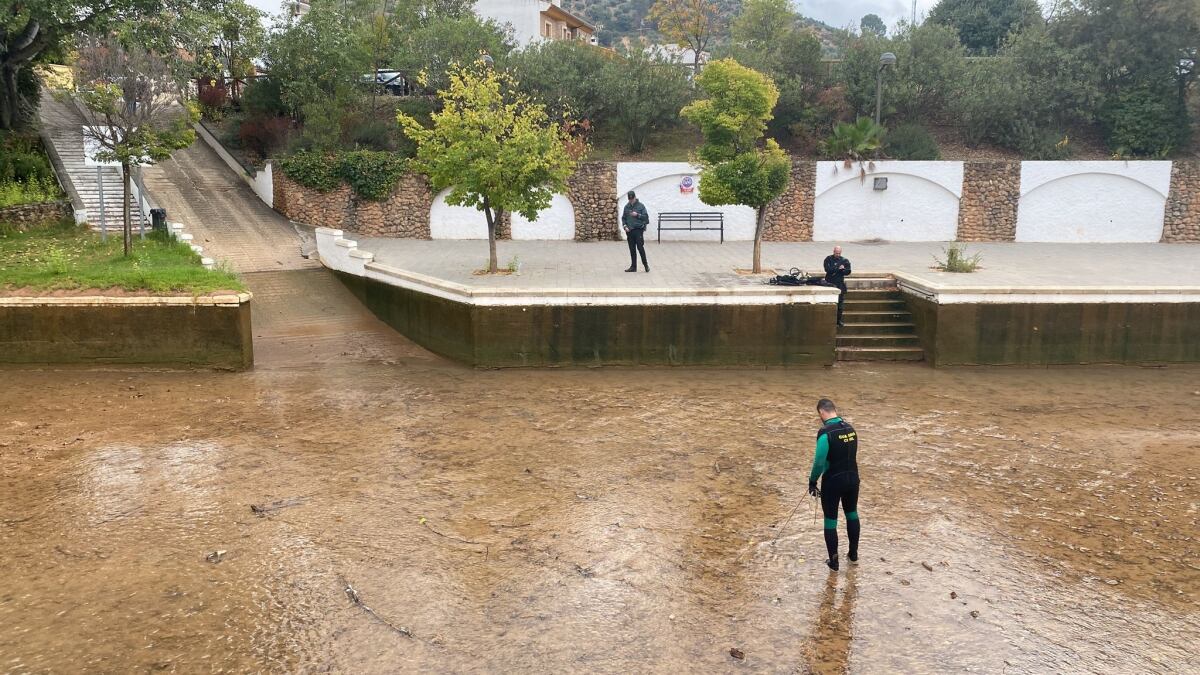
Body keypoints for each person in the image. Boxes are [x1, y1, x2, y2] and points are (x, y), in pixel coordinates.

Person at [807, 398, 860, 571]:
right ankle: (853, 555)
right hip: (853, 479)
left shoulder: (825, 433)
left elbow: (819, 462)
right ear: (834, 410)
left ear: (822, 413)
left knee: (831, 521)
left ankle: (834, 562)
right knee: (852, 513)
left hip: (833, 482)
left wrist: (812, 481)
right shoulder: (851, 430)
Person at [823, 246, 851, 326]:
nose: (837, 254)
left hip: (840, 283)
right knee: (828, 302)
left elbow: (848, 271)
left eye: (839, 253)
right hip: (829, 283)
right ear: (833, 251)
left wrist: (843, 270)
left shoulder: (845, 260)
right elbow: (827, 269)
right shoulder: (828, 259)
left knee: (840, 304)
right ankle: (828, 320)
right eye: (836, 253)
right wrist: (837, 268)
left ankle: (838, 320)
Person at [622, 190, 649, 273]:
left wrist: (637, 215)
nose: (631, 201)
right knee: (632, 249)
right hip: (629, 231)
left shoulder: (641, 206)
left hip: (638, 230)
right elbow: (624, 218)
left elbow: (646, 218)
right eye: (629, 199)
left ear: (635, 197)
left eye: (632, 199)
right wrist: (625, 226)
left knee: (640, 248)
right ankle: (633, 267)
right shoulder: (626, 207)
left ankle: (646, 265)